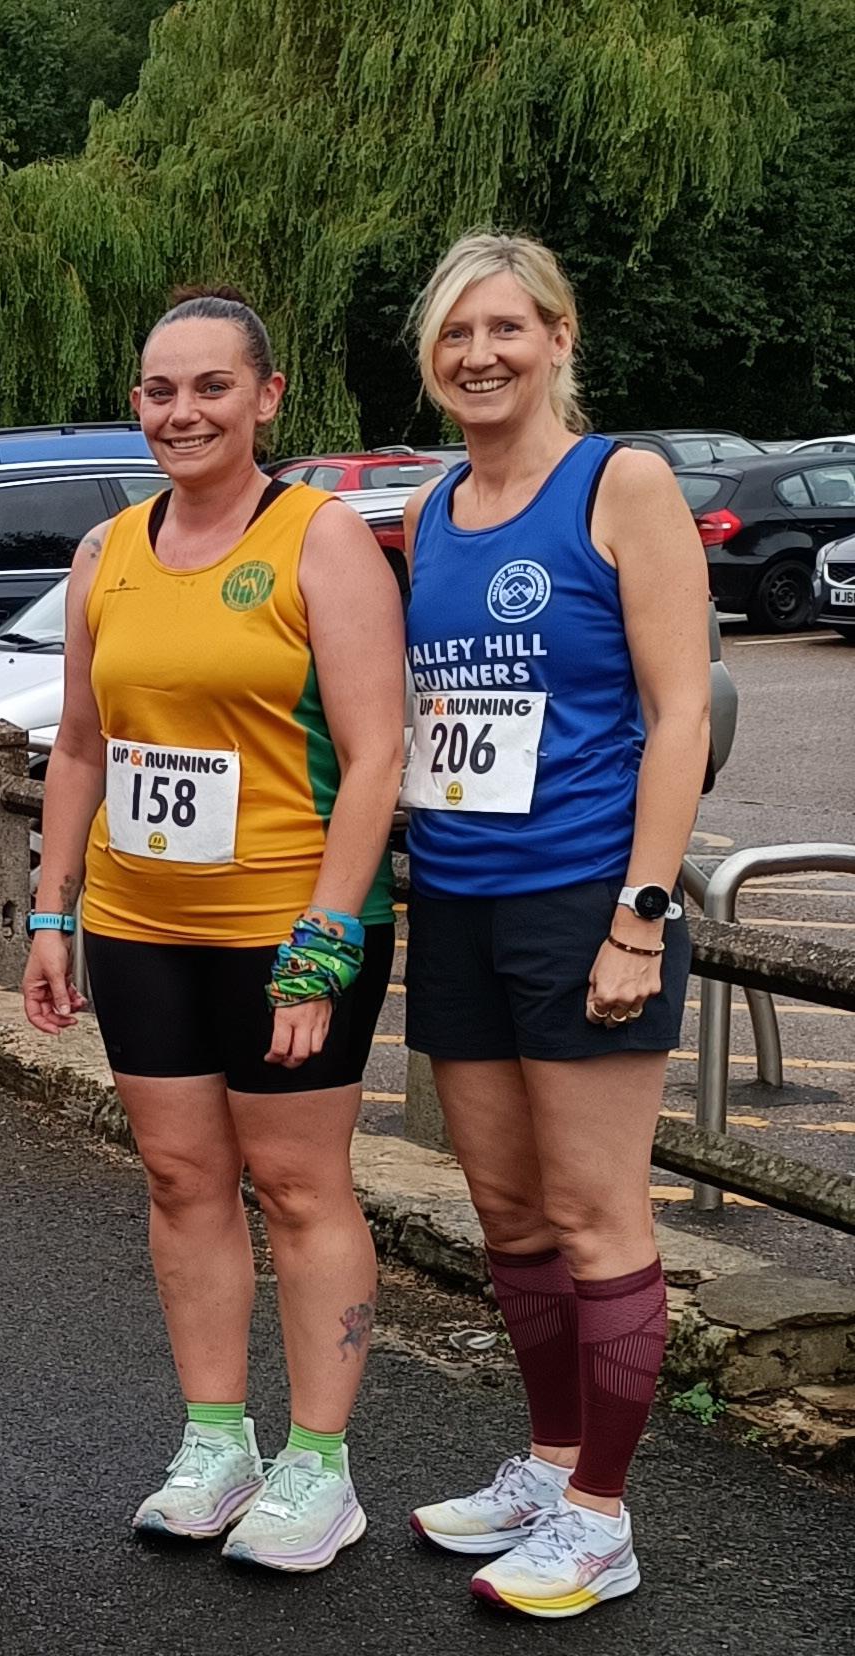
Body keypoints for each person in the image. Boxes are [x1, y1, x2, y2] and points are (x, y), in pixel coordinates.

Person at [20, 291, 405, 1572]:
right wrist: (53, 909)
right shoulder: (108, 550)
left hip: (287, 928)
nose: (180, 413)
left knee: (297, 1185)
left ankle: (320, 1463)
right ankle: (216, 1441)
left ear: (267, 397)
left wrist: (326, 942)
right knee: (182, 1180)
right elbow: (82, 746)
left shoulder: (321, 539)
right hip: (143, 924)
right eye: (159, 390)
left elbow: (376, 754)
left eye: (210, 388)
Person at [393, 232, 708, 1618]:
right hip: (459, 898)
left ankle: (601, 1519)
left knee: (592, 1212)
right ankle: (551, 1460)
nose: (480, 355)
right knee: (510, 1213)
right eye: (456, 334)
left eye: (507, 329)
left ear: (560, 338)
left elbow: (679, 713)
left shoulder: (621, 483)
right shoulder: (432, 511)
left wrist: (643, 912)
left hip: (585, 896)